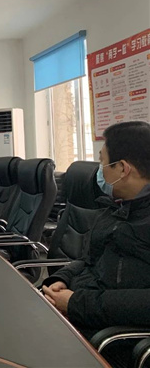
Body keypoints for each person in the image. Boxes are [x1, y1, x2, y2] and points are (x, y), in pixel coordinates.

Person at [42, 121, 150, 347]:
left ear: (123, 168)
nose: (99, 172)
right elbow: (90, 259)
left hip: (112, 338)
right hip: (83, 314)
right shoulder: (116, 208)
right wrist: (62, 278)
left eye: (103, 163)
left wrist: (76, 303)